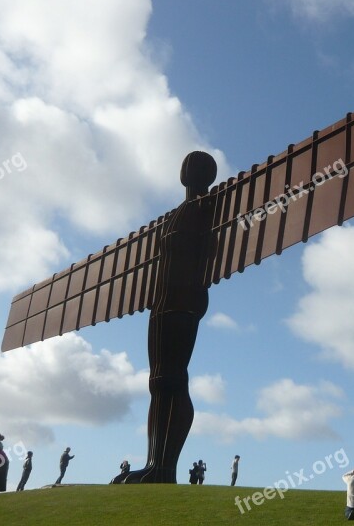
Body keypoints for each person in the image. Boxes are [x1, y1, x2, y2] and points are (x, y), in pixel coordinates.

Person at [121, 153, 216, 484]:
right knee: (158, 382)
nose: (186, 169)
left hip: (184, 300)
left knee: (173, 379)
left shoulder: (209, 206)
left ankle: (165, 467)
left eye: (194, 165)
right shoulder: (178, 213)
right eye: (186, 164)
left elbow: (211, 250)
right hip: (161, 304)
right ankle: (153, 463)